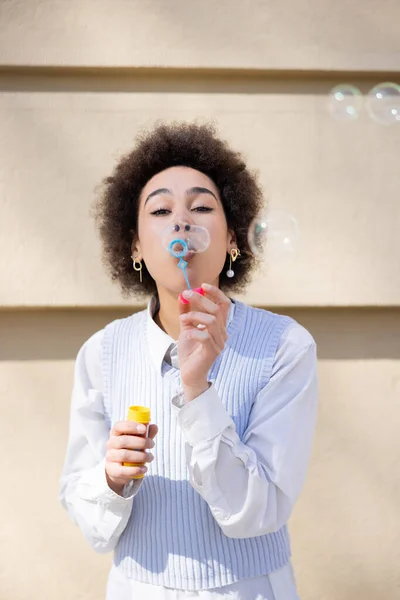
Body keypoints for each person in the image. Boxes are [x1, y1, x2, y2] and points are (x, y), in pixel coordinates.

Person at [59, 122, 318, 600]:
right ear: (134, 246)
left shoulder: (285, 346)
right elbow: (86, 514)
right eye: (160, 209)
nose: (181, 221)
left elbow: (258, 513)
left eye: (201, 207)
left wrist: (198, 390)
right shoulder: (102, 353)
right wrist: (111, 479)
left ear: (234, 239)